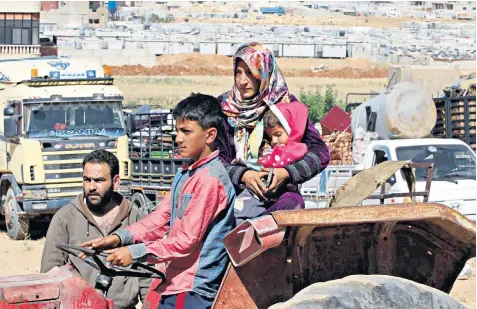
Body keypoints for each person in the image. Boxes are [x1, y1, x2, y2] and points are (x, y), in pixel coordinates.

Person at [80, 93, 235, 309]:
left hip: (194, 288)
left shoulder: (209, 180)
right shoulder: (187, 172)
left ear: (210, 135)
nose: (178, 138)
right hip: (176, 281)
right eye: (177, 131)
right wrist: (118, 238)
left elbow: (185, 240)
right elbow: (160, 219)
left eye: (186, 131)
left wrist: (134, 253)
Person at [217, 42, 330, 215]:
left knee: (290, 207)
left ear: (264, 73)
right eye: (238, 73)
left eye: (250, 73)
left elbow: (320, 152)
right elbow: (214, 158)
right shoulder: (224, 108)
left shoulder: (286, 104)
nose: (242, 81)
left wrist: (287, 172)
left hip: (278, 193)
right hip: (234, 191)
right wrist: (243, 175)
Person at [40, 149, 149, 309]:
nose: (91, 187)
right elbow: (50, 275)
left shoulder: (134, 217)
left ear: (116, 181)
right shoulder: (65, 218)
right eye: (86, 179)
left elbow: (148, 273)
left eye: (98, 180)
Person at [234, 101, 310, 224]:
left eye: (278, 134)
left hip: (263, 195)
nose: (274, 141)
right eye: (271, 137)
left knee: (240, 215)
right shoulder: (280, 149)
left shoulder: (293, 151)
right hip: (259, 194)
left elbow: (270, 164)